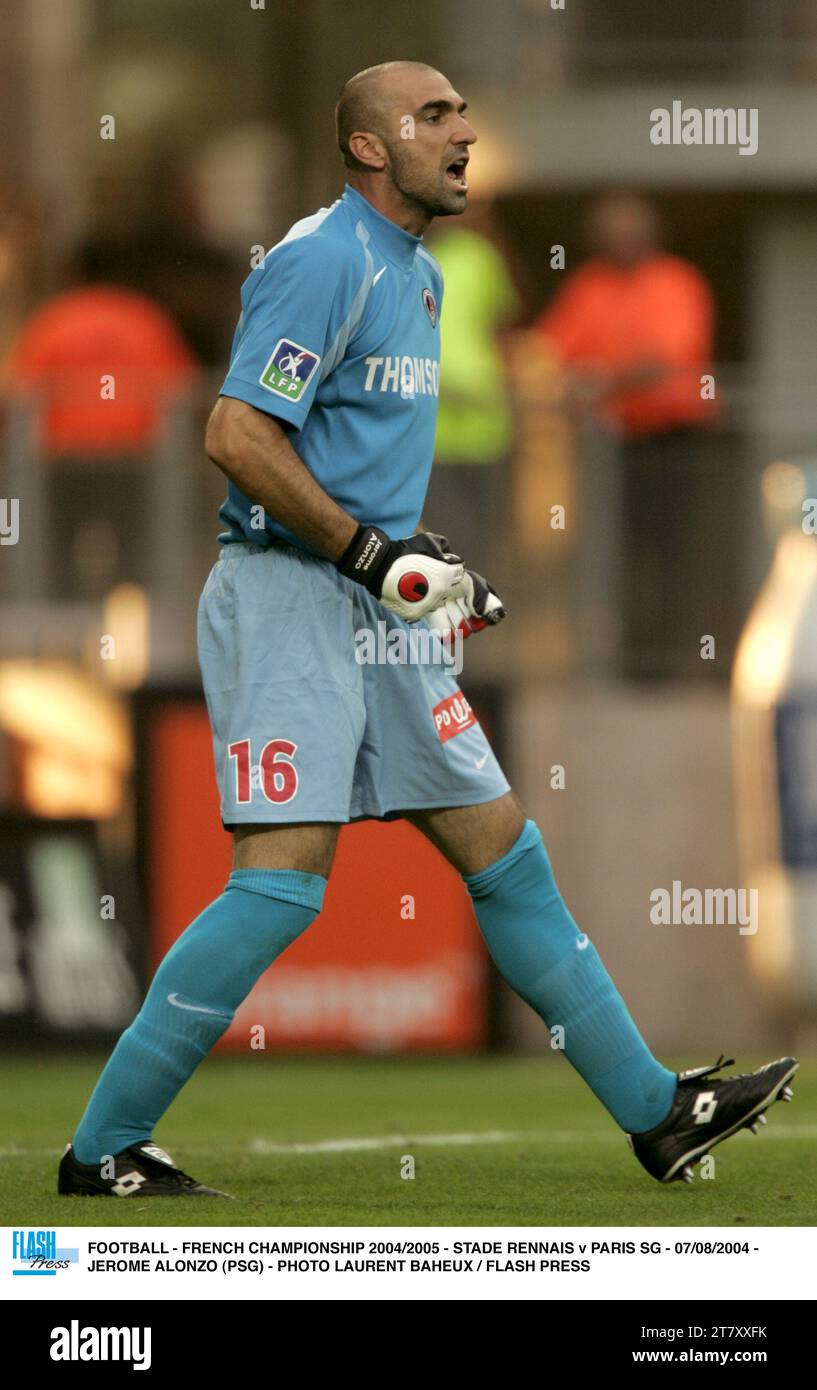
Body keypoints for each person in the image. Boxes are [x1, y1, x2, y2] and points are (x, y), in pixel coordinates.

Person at [59, 63, 796, 1198]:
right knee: (281, 883)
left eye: (461, 112)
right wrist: (367, 555)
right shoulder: (319, 258)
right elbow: (236, 434)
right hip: (289, 596)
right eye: (434, 116)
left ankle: (656, 1111)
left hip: (375, 605)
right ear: (368, 148)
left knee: (507, 857)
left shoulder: (426, 275)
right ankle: (102, 1148)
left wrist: (428, 565)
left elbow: (359, 478)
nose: (462, 132)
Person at [535, 193, 717, 679]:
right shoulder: (589, 286)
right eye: (612, 235)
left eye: (631, 233)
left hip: (673, 442)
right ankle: (618, 664)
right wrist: (591, 380)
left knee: (672, 557)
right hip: (610, 449)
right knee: (613, 556)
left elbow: (663, 363)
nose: (623, 244)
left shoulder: (675, 282)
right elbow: (554, 352)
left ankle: (672, 664)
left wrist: (603, 380)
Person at [423, 199, 522, 566]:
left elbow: (503, 326)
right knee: (451, 528)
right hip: (439, 427)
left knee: (472, 532)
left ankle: (468, 610)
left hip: (478, 423)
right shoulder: (413, 258)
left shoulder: (479, 256)